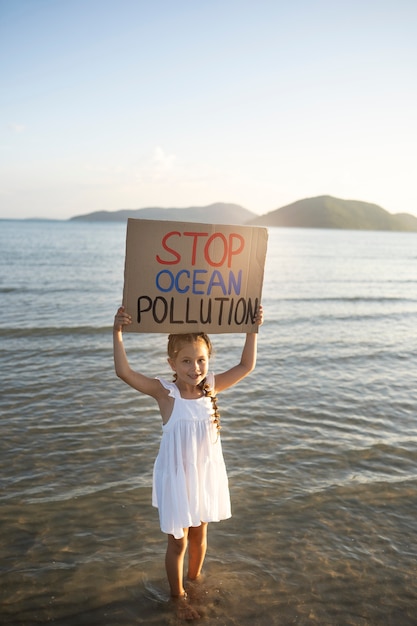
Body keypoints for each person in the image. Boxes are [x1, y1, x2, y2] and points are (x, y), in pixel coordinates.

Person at [113, 304, 263, 620]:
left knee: (200, 536)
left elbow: (246, 365)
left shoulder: (211, 387)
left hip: (204, 477)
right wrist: (118, 332)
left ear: (208, 361)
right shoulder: (165, 393)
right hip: (177, 480)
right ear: (172, 363)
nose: (194, 367)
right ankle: (178, 597)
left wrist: (253, 328)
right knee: (178, 544)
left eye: (201, 360)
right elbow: (124, 372)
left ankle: (195, 581)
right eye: (186, 361)